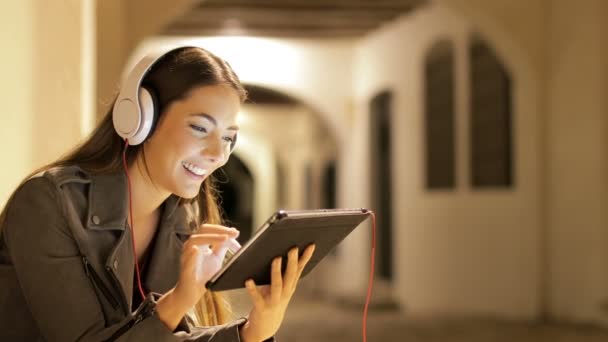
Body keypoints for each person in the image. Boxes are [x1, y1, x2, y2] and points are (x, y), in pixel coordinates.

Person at [0, 46, 315, 341]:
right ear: (140, 120)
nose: (218, 153)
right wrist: (180, 297)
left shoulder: (179, 220)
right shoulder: (47, 202)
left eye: (229, 137)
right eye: (200, 129)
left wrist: (252, 332)